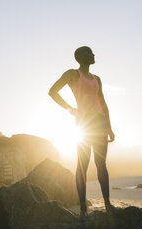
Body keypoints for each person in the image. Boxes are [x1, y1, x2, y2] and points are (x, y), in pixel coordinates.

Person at [48, 46, 116, 219]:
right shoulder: (72, 74)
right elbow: (52, 92)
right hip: (84, 125)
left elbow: (104, 104)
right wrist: (70, 108)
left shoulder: (97, 79)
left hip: (99, 123)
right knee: (82, 166)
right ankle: (83, 208)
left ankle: (108, 204)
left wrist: (109, 127)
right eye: (89, 53)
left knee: (101, 165)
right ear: (80, 57)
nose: (93, 55)